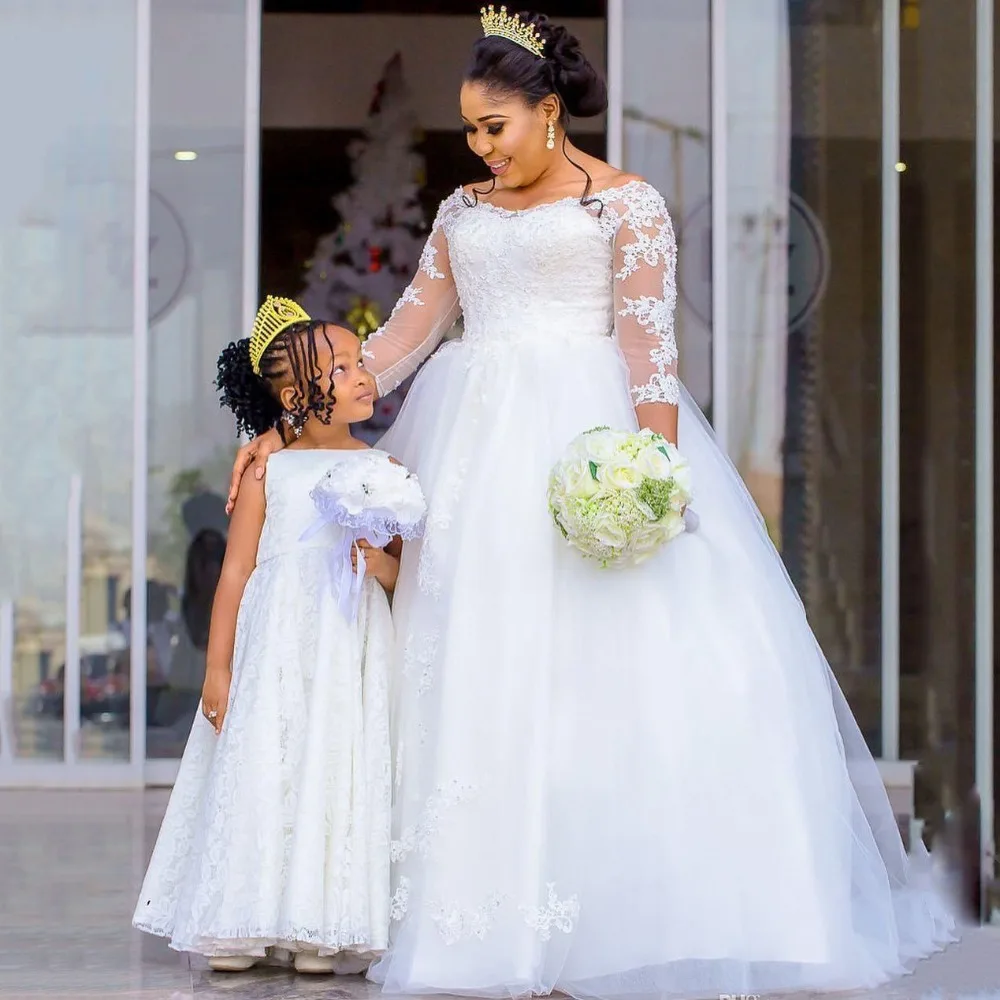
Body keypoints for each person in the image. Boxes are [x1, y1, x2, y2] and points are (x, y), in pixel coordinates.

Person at [225, 10, 956, 999]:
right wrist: (289, 425)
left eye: (494, 126)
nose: (481, 147)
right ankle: (475, 915)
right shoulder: (461, 212)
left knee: (599, 673)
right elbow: (399, 339)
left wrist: (649, 474)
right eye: (470, 130)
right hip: (472, 448)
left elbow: (650, 352)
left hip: (584, 436)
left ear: (547, 110)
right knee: (476, 665)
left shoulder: (627, 204)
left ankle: (610, 920)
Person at [134, 299, 403, 975]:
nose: (361, 375)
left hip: (344, 645)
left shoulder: (385, 467)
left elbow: (404, 570)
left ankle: (316, 924)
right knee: (264, 764)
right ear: (294, 397)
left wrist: (382, 567)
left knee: (330, 766)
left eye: (360, 362)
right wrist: (217, 669)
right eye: (341, 368)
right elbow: (234, 574)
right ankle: (240, 917)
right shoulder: (269, 470)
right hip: (276, 645)